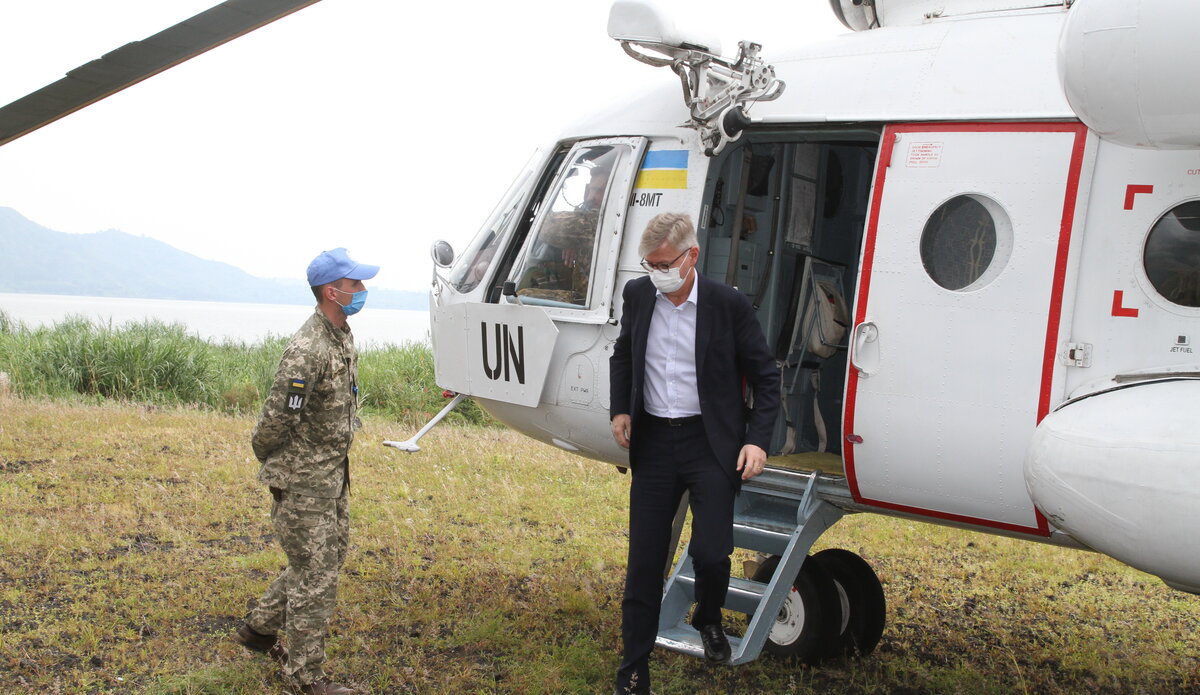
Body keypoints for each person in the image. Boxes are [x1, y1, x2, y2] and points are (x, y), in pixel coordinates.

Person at [609, 213, 780, 695]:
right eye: (649, 265)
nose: (656, 273)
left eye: (664, 264)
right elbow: (623, 353)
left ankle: (708, 618)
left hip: (711, 444)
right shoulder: (639, 296)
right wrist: (620, 409)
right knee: (644, 560)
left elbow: (766, 378)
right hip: (656, 443)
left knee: (711, 552)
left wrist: (756, 439)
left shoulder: (729, 305)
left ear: (692, 257)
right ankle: (634, 670)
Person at [233, 247, 379, 695]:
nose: (362, 291)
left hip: (332, 475)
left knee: (323, 563)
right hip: (303, 482)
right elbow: (275, 422)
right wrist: (281, 465)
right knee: (317, 576)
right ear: (331, 292)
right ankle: (306, 679)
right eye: (354, 285)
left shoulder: (341, 336)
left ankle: (259, 629)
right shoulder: (308, 350)